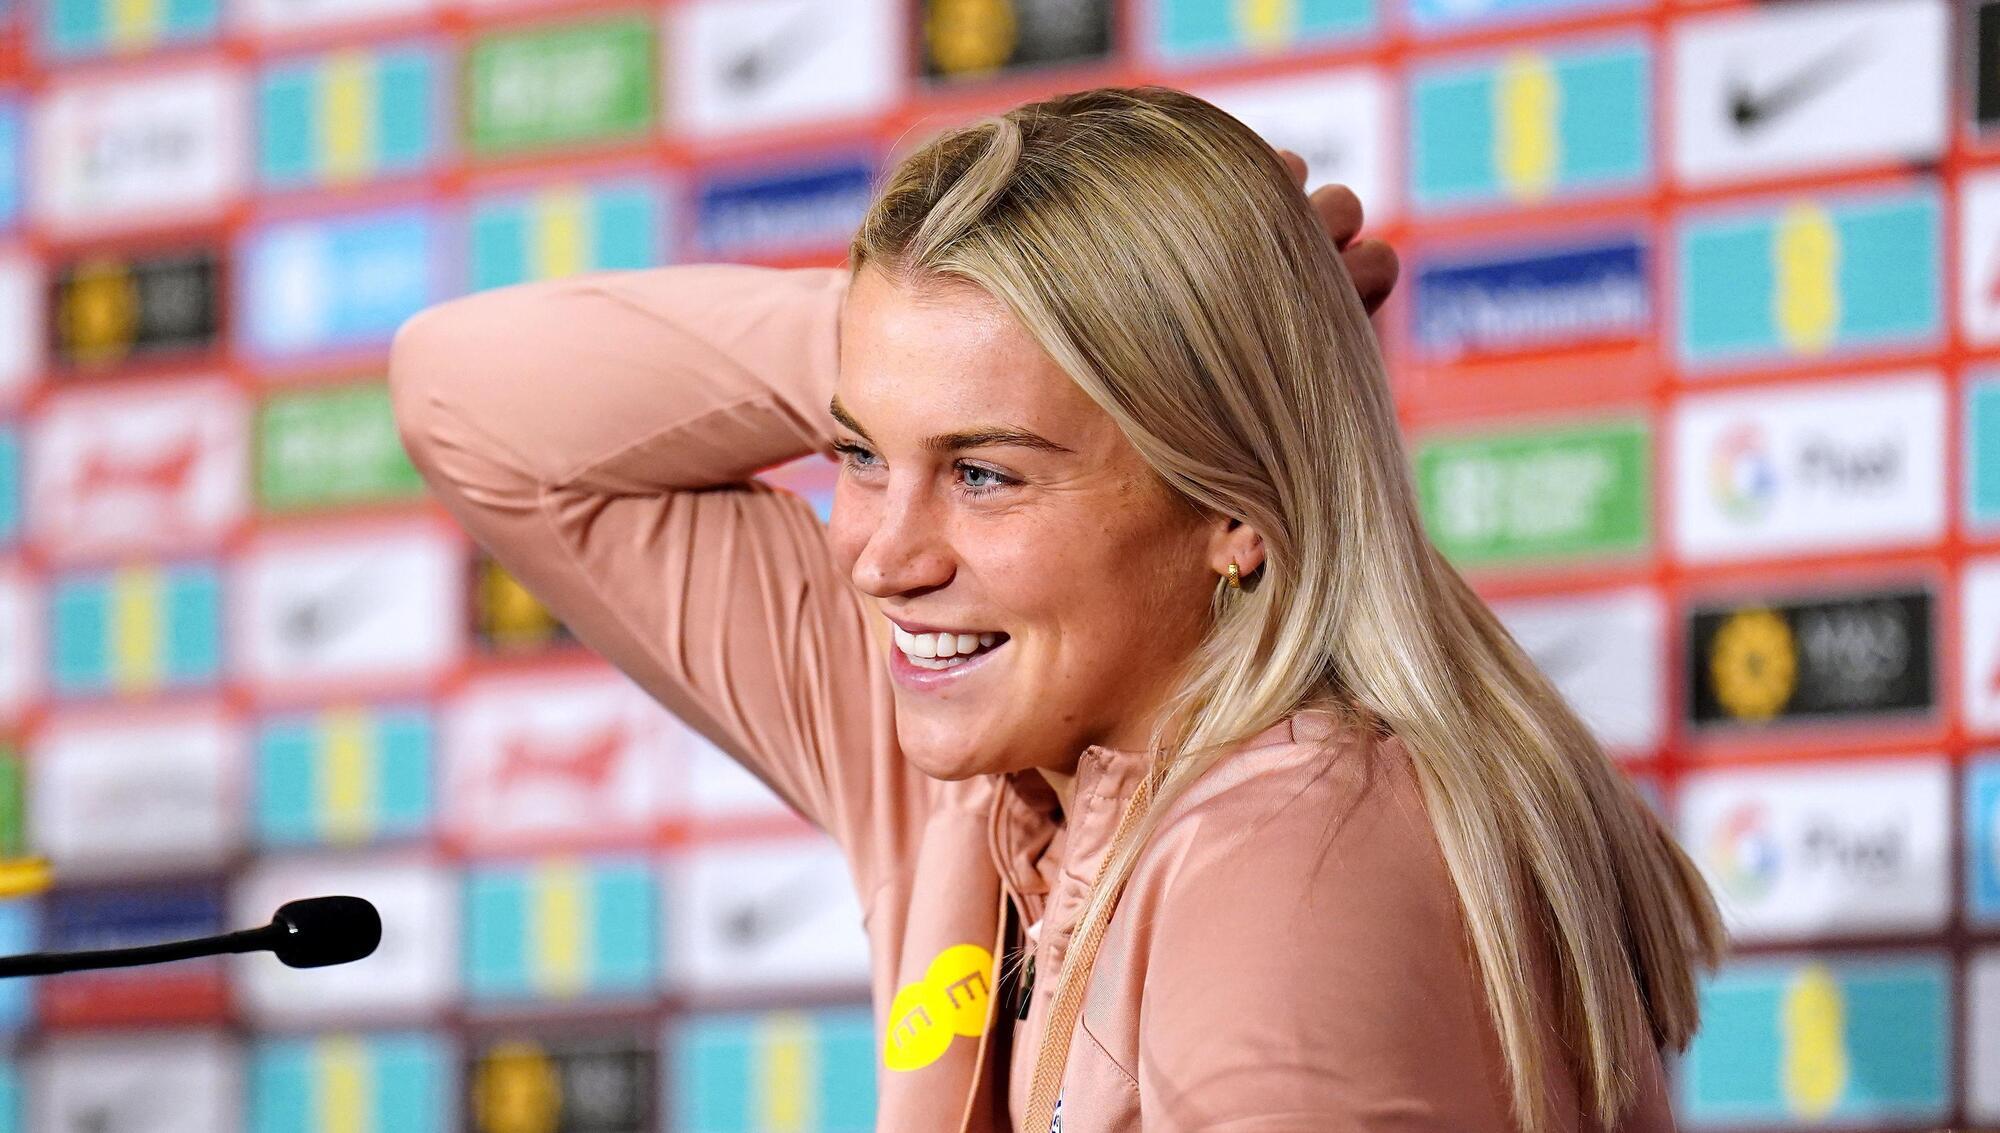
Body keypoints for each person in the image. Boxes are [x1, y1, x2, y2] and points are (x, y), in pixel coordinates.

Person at [389, 85, 1723, 1133]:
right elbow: (471, 399)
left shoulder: (1292, 861)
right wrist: (942, 333)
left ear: (1233, 504)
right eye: (858, 455)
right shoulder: (980, 755)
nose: (881, 557)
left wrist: (1133, 330)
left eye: (983, 473)